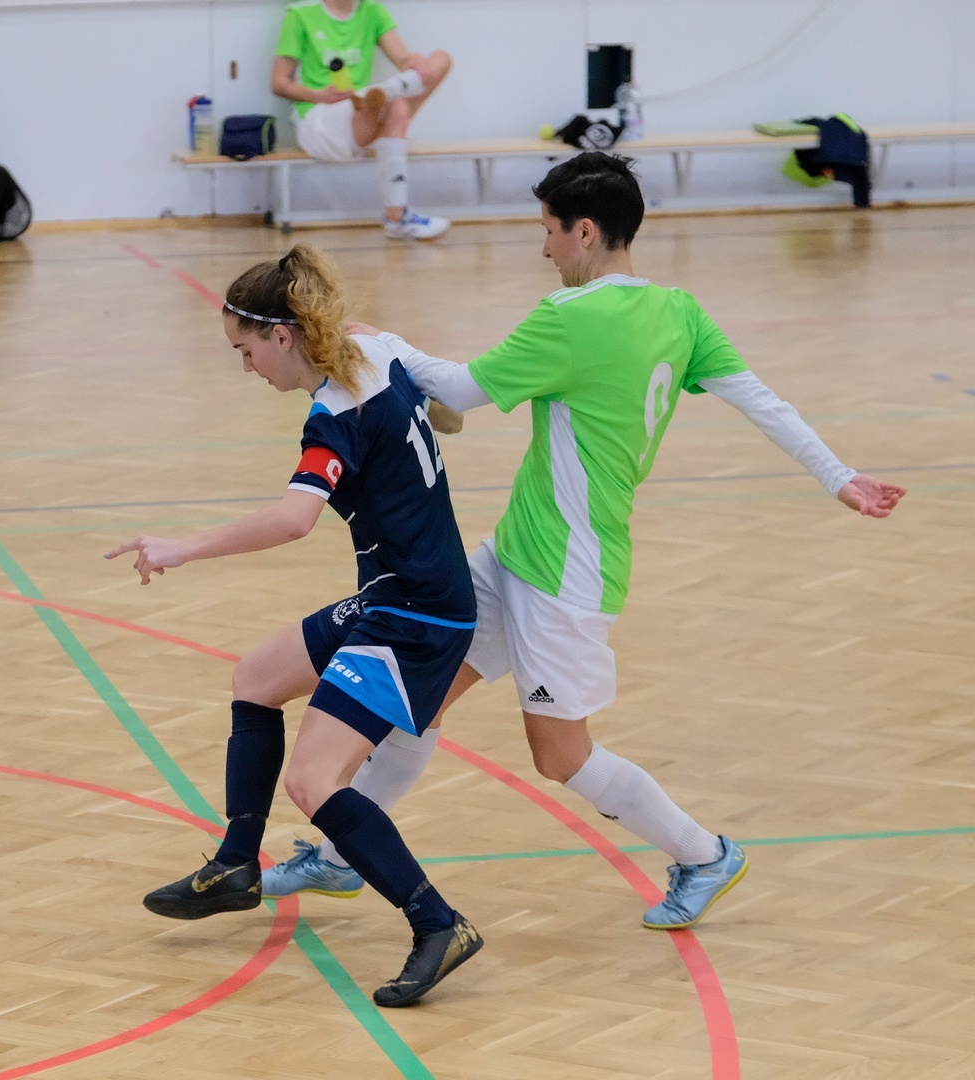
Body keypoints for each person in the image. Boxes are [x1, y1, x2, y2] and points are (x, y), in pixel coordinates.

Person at [260, 153, 908, 931]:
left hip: (566, 577)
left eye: (549, 231)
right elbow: (761, 400)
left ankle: (705, 854)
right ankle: (340, 858)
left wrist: (385, 342)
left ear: (586, 231)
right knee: (414, 702)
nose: (544, 248)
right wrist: (838, 475)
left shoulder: (569, 317)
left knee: (560, 755)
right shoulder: (679, 312)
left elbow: (458, 391)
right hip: (515, 555)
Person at [107, 246, 482, 1007]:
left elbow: (293, 520)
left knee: (313, 781)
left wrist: (182, 548)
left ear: (283, 336)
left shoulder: (331, 416)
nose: (245, 367)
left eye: (245, 350)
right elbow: (436, 394)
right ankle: (236, 864)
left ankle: (438, 924)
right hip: (397, 594)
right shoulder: (372, 346)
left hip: (415, 615)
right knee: (256, 677)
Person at [272, 0, 453, 241]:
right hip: (319, 119)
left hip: (363, 115)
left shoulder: (372, 10)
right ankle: (398, 219)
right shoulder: (300, 13)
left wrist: (415, 64)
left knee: (439, 60)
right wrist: (320, 96)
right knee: (395, 107)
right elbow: (278, 82)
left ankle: (397, 218)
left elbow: (403, 59)